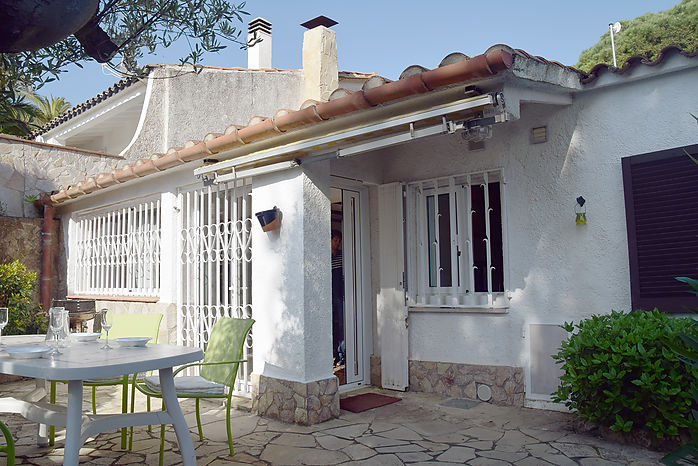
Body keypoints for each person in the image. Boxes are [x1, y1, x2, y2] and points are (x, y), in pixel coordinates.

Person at [331, 230, 345, 366]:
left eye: (339, 241)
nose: (337, 243)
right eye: (335, 240)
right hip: (328, 297)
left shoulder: (341, 256)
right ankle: (333, 354)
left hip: (338, 295)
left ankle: (341, 355)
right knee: (331, 326)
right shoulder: (324, 255)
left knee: (341, 324)